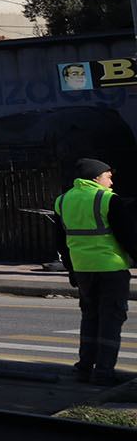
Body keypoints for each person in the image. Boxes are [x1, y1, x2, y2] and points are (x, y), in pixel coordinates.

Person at [56, 158, 137, 385]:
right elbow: (128, 237)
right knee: (111, 319)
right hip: (111, 268)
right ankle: (104, 372)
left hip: (83, 270)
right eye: (108, 177)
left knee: (90, 317)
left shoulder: (63, 201)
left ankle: (83, 368)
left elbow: (61, 241)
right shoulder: (108, 199)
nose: (111, 182)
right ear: (95, 178)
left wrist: (71, 269)